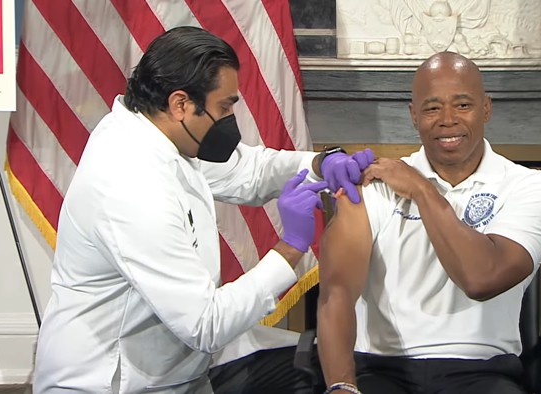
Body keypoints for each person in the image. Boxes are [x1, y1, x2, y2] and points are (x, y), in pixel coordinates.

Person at [33, 26, 373, 394]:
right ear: (181, 104)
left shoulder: (157, 131)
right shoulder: (130, 184)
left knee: (324, 361)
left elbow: (249, 171)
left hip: (177, 368)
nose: (230, 118)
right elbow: (205, 326)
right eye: (224, 106)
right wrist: (290, 247)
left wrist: (321, 164)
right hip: (113, 382)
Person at [316, 51, 541, 394]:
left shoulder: (530, 187)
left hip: (482, 373)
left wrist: (421, 189)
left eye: (463, 105)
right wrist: (342, 386)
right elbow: (337, 292)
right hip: (380, 369)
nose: (447, 119)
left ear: (486, 108)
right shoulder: (375, 186)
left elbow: (481, 278)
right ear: (414, 116)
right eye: (432, 108)